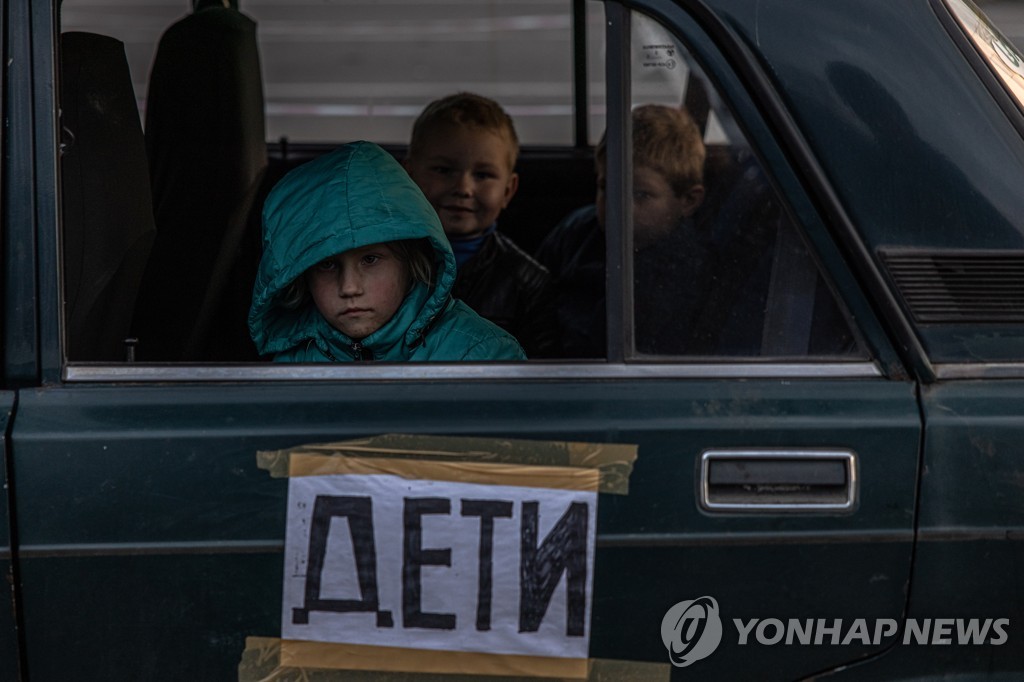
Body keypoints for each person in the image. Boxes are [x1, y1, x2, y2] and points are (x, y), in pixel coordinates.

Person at [248, 141, 526, 362]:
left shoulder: (482, 356)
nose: (349, 287)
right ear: (301, 275)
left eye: (370, 259)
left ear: (411, 263)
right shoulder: (295, 364)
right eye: (327, 265)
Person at [535, 104, 710, 358]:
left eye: (640, 194)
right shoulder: (577, 230)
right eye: (606, 187)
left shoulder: (687, 268)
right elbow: (533, 297)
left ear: (688, 201)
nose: (617, 206)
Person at [404, 92, 557, 357]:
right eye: (443, 170)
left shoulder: (527, 283)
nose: (463, 188)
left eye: (483, 175)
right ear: (408, 175)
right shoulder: (386, 259)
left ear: (508, 191)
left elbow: (540, 372)